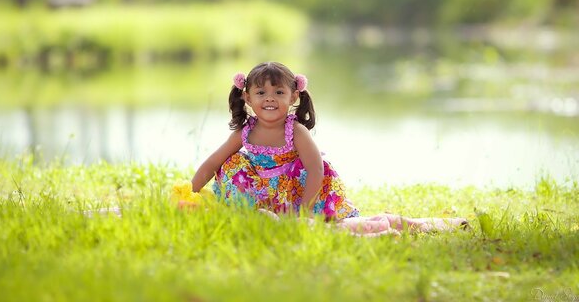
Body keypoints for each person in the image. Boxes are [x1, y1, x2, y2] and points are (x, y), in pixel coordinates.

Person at [190, 62, 468, 236]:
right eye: (261, 93)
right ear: (248, 97)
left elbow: (315, 168)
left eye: (278, 93)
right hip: (266, 196)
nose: (270, 99)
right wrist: (190, 192)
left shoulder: (294, 130)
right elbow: (213, 162)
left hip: (301, 193)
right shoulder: (246, 131)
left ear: (294, 96)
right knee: (231, 162)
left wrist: (305, 209)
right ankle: (258, 215)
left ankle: (409, 224)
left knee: (328, 226)